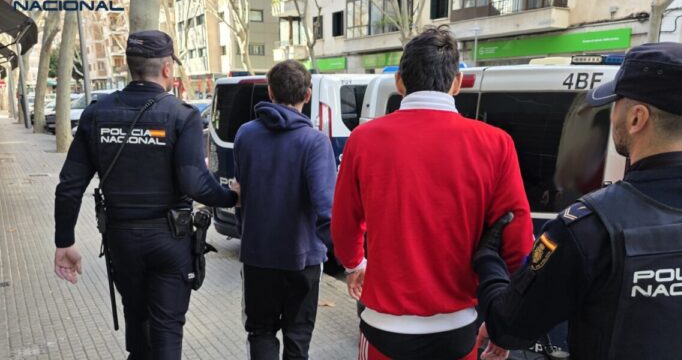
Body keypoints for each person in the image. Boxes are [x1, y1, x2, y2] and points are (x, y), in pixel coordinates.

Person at [474, 42, 682, 360]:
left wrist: (488, 257)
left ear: (636, 118)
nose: (612, 112)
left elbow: (509, 326)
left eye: (615, 103)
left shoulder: (588, 227)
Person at [331, 25, 533, 360]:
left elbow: (344, 225)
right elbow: (518, 239)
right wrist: (504, 314)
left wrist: (356, 263)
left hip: (384, 326)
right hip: (457, 327)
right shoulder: (496, 143)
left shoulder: (363, 140)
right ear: (456, 84)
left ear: (400, 82)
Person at [53, 30, 239, 360]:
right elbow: (195, 183)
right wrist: (231, 197)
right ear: (167, 69)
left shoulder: (97, 114)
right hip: (170, 241)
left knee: (138, 327)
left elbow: (69, 185)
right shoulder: (182, 116)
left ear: (129, 66)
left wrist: (64, 241)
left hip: (122, 242)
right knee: (167, 331)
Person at [234, 60, 336, 360]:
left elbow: (243, 187)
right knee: (298, 336)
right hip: (302, 258)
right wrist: (352, 260)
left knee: (261, 332)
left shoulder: (245, 135)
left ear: (270, 92)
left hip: (257, 256)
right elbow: (325, 207)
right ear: (307, 94)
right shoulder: (315, 141)